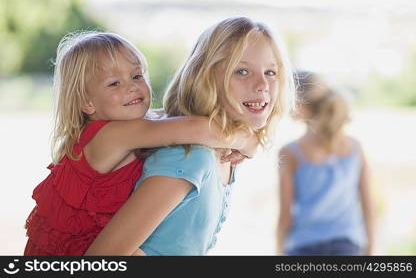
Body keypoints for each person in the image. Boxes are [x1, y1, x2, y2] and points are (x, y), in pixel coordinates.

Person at [23, 31, 258, 256]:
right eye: (114, 83)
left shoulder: (132, 125)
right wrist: (246, 140)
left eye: (136, 76)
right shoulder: (111, 135)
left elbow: (166, 116)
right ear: (87, 103)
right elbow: (192, 128)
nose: (131, 86)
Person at [85, 16, 295, 256]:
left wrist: (249, 141)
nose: (262, 85)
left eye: (271, 72)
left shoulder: (224, 155)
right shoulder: (189, 157)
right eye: (242, 71)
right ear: (205, 78)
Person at [277, 71, 374, 255]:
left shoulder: (290, 153)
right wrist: (370, 249)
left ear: (300, 106)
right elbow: (369, 207)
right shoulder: (355, 149)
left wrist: (278, 251)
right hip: (348, 245)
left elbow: (285, 216)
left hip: (303, 246)